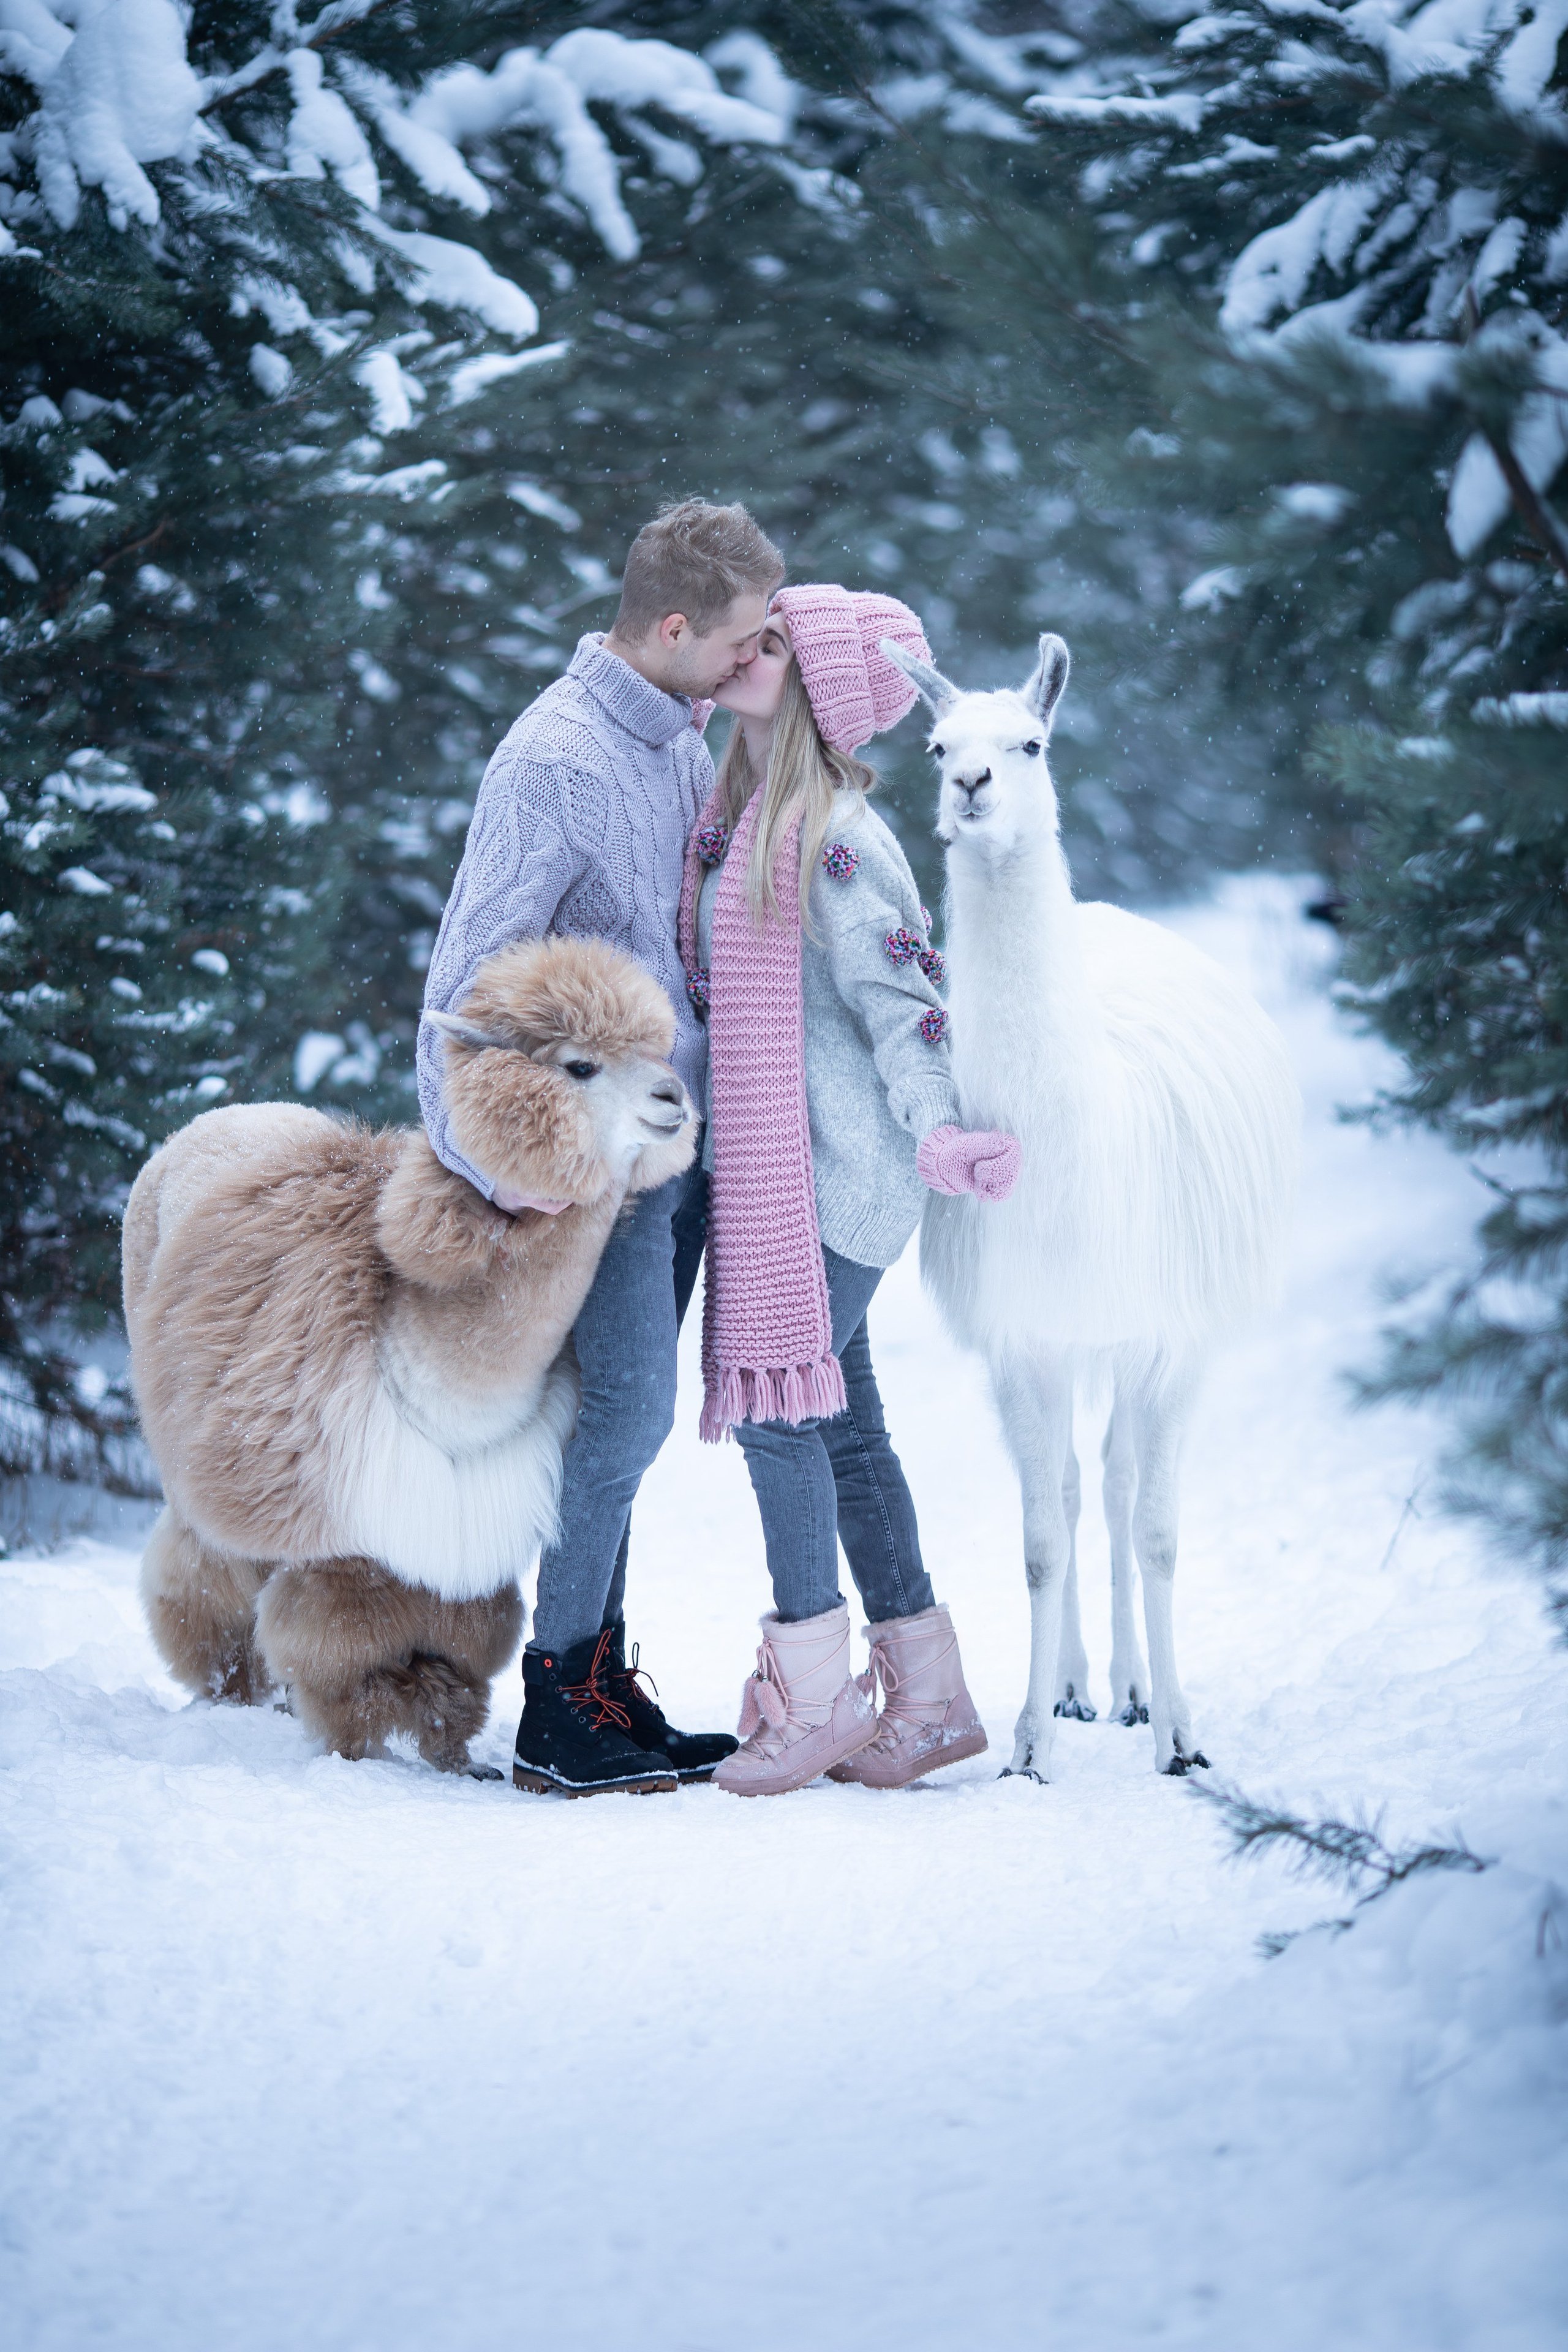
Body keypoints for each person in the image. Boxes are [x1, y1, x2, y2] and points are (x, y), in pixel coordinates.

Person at [418, 497, 783, 1796]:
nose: (754, 661)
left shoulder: (679, 742)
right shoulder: (553, 760)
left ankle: (598, 1677)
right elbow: (461, 997)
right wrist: (497, 1174)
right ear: (673, 626)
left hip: (674, 1148)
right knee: (621, 1409)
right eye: (742, 640)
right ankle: (555, 1705)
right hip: (597, 1166)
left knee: (622, 1418)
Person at [677, 585, 1021, 1797]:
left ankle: (817, 1696)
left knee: (779, 1411)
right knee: (845, 1427)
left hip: (845, 1179)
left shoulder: (835, 841)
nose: (744, 654)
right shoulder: (747, 816)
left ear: (820, 687)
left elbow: (905, 1003)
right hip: (791, 1175)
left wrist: (936, 1136)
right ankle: (927, 1701)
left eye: (773, 646)